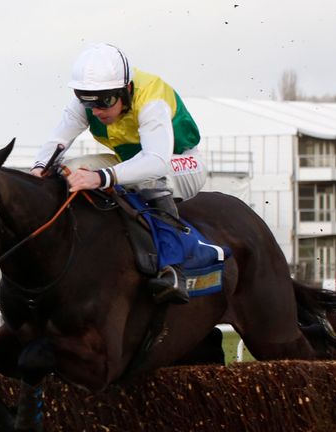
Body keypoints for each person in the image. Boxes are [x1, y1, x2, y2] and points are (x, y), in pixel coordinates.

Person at [31, 43, 206, 304]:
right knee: (68, 170)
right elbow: (58, 140)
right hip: (131, 160)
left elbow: (156, 161)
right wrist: (38, 169)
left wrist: (101, 177)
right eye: (89, 102)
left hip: (180, 161)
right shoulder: (92, 100)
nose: (98, 110)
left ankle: (173, 269)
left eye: (106, 101)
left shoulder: (151, 99)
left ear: (127, 90)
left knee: (148, 178)